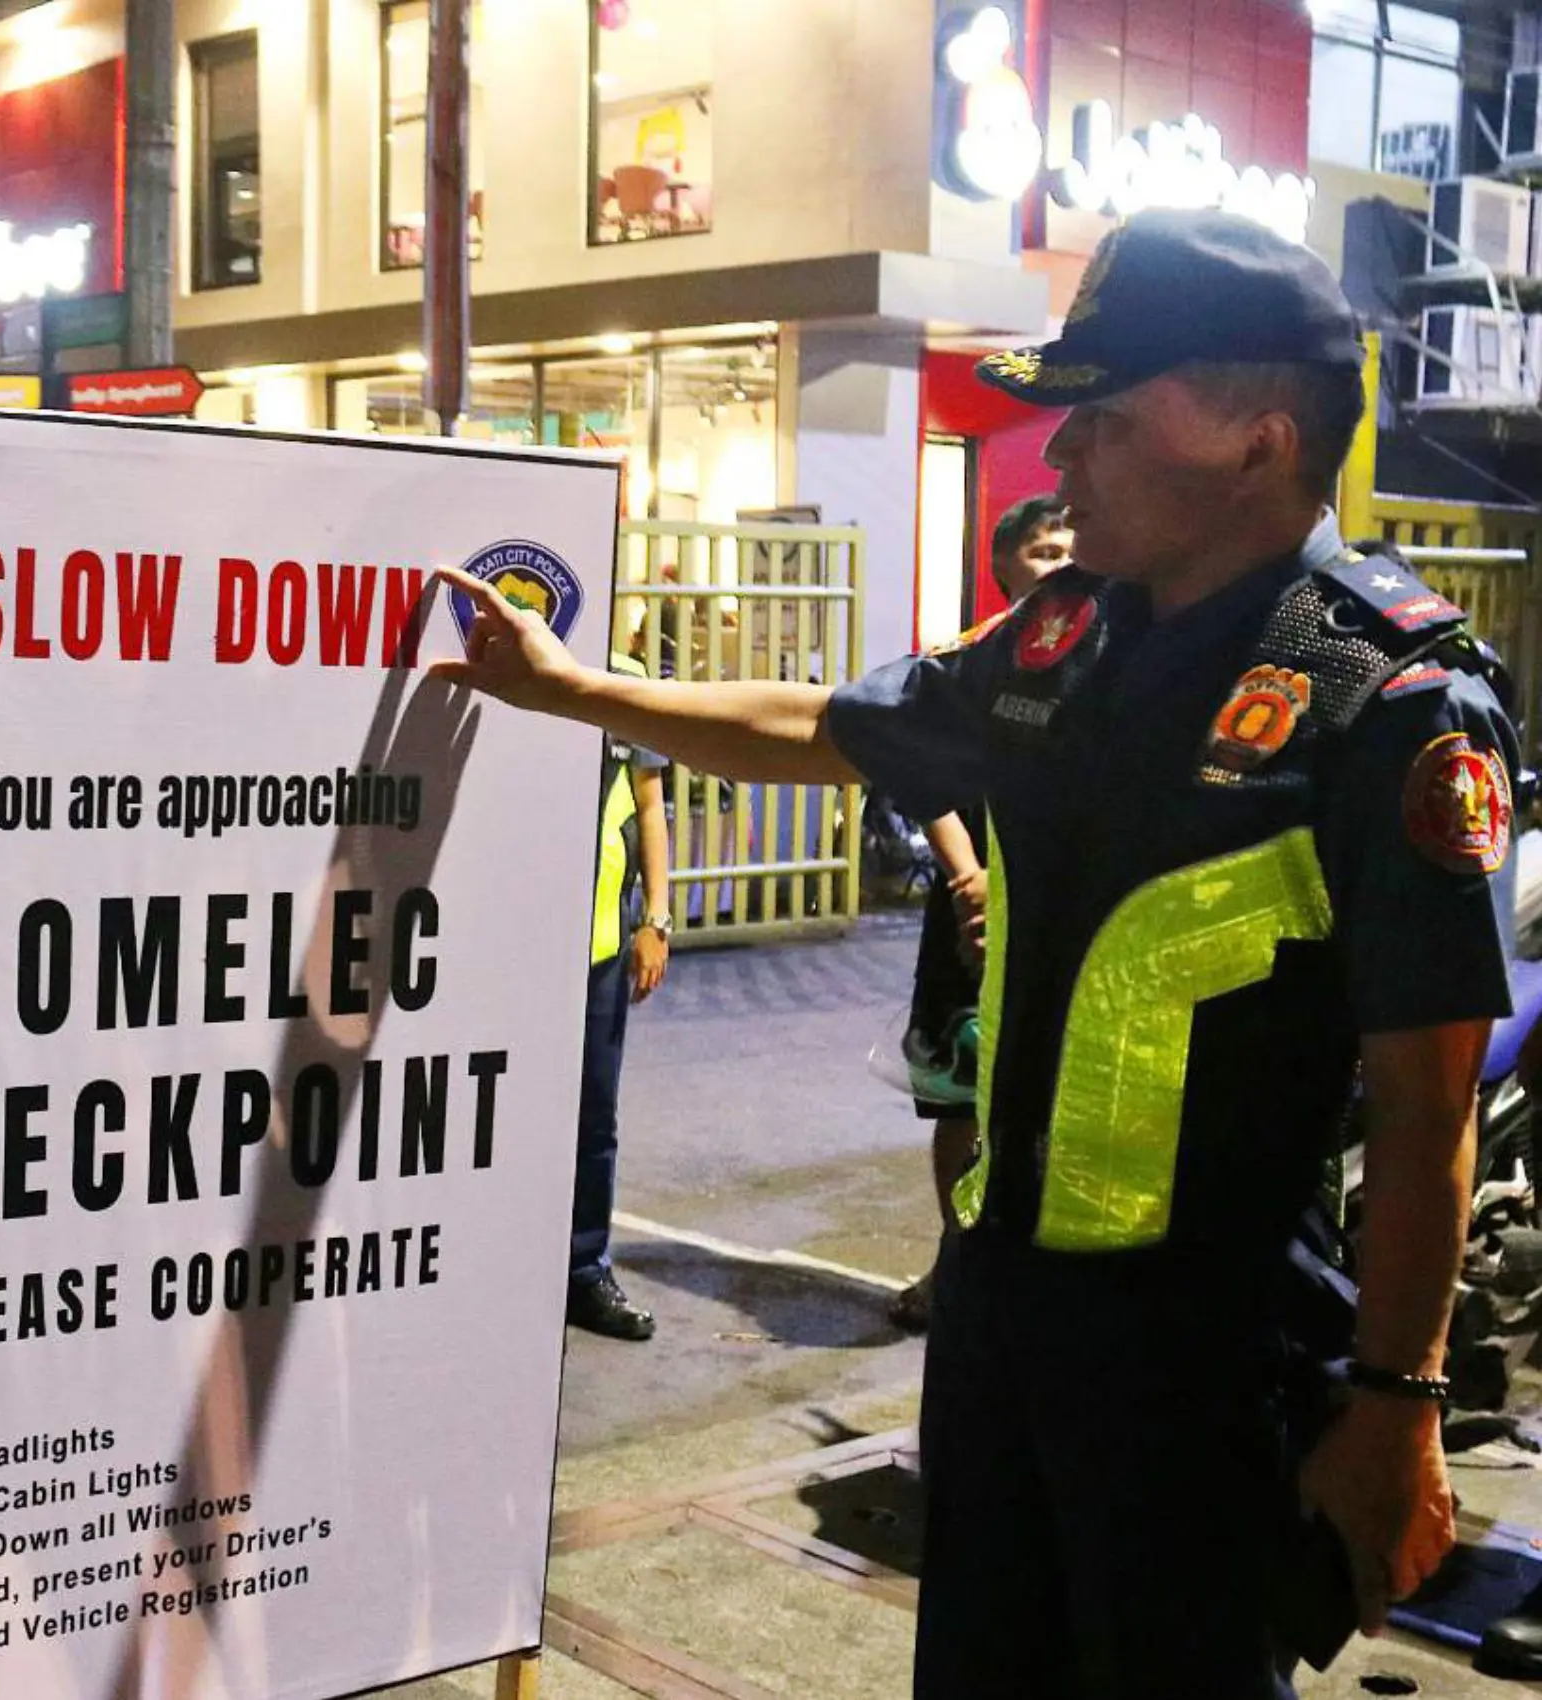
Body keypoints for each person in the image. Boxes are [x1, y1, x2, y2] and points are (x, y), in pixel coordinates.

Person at [435, 208, 1516, 1696]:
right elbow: (827, 727)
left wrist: (1397, 1412)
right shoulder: (1063, 640)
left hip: (1206, 1360)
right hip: (1003, 1316)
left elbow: (1429, 1106)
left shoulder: (1385, 700)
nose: (1061, 460)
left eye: (1108, 419)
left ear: (1261, 443)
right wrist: (568, 692)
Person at [888, 495, 1073, 1332]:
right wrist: (970, 882)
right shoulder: (969, 663)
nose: (1057, 563)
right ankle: (954, 1261)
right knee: (960, 1100)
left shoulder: (1109, 667)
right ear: (1002, 566)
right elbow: (921, 774)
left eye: (1067, 548)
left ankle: (1030, 1275)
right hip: (969, 915)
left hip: (1066, 918)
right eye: (1040, 551)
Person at [568, 644, 672, 1340]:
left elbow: (648, 800)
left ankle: (582, 1271)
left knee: (592, 1122)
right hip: (509, 949)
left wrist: (656, 917)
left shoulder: (624, 678)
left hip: (601, 943)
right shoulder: (501, 653)